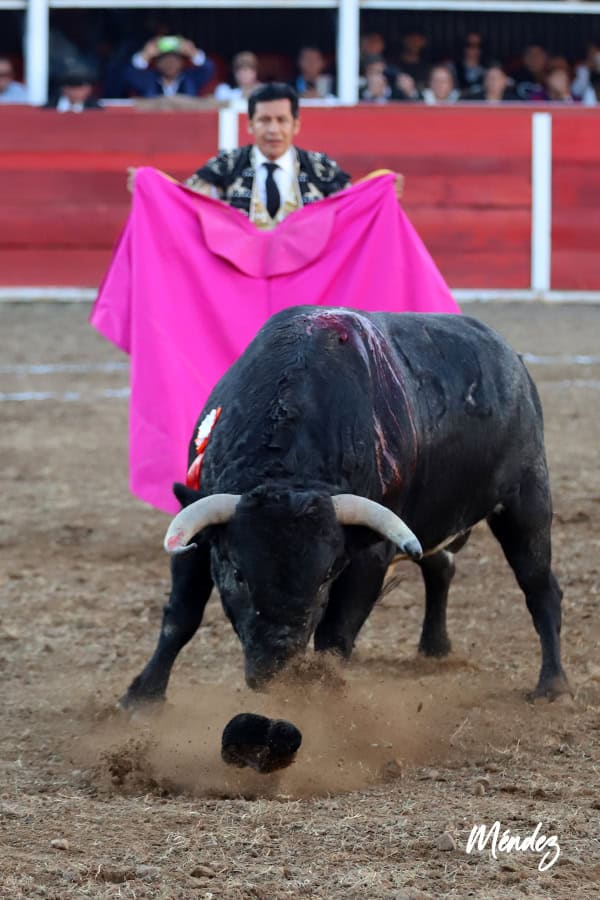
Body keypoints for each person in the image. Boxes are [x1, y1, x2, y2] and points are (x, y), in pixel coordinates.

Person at [183, 83, 404, 230]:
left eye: (282, 120)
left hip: (307, 278)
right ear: (250, 125)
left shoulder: (320, 168)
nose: (273, 130)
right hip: (239, 275)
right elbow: (185, 205)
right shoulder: (225, 166)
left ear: (295, 125)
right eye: (264, 120)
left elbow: (354, 210)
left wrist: (380, 193)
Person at [122, 34, 213, 98]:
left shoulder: (191, 78)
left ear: (182, 62)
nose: (170, 64)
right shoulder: (148, 79)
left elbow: (208, 69)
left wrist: (192, 52)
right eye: (165, 60)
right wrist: (146, 54)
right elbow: (129, 75)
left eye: (174, 60)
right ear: (157, 63)